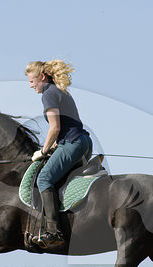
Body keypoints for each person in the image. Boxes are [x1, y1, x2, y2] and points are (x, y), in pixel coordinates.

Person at [25, 60, 93, 249]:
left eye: (32, 81)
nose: (31, 86)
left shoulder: (48, 94)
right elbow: (66, 124)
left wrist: (44, 150)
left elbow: (55, 128)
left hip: (73, 143)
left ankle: (54, 231)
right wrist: (55, 144)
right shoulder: (60, 91)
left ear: (42, 77)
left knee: (44, 179)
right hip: (82, 141)